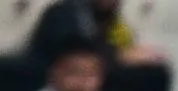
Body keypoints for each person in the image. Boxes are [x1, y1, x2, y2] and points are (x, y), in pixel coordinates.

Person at [29, 0, 166, 66]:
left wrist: (140, 54)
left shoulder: (113, 20)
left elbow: (127, 48)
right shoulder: (64, 12)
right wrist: (121, 55)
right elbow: (75, 48)